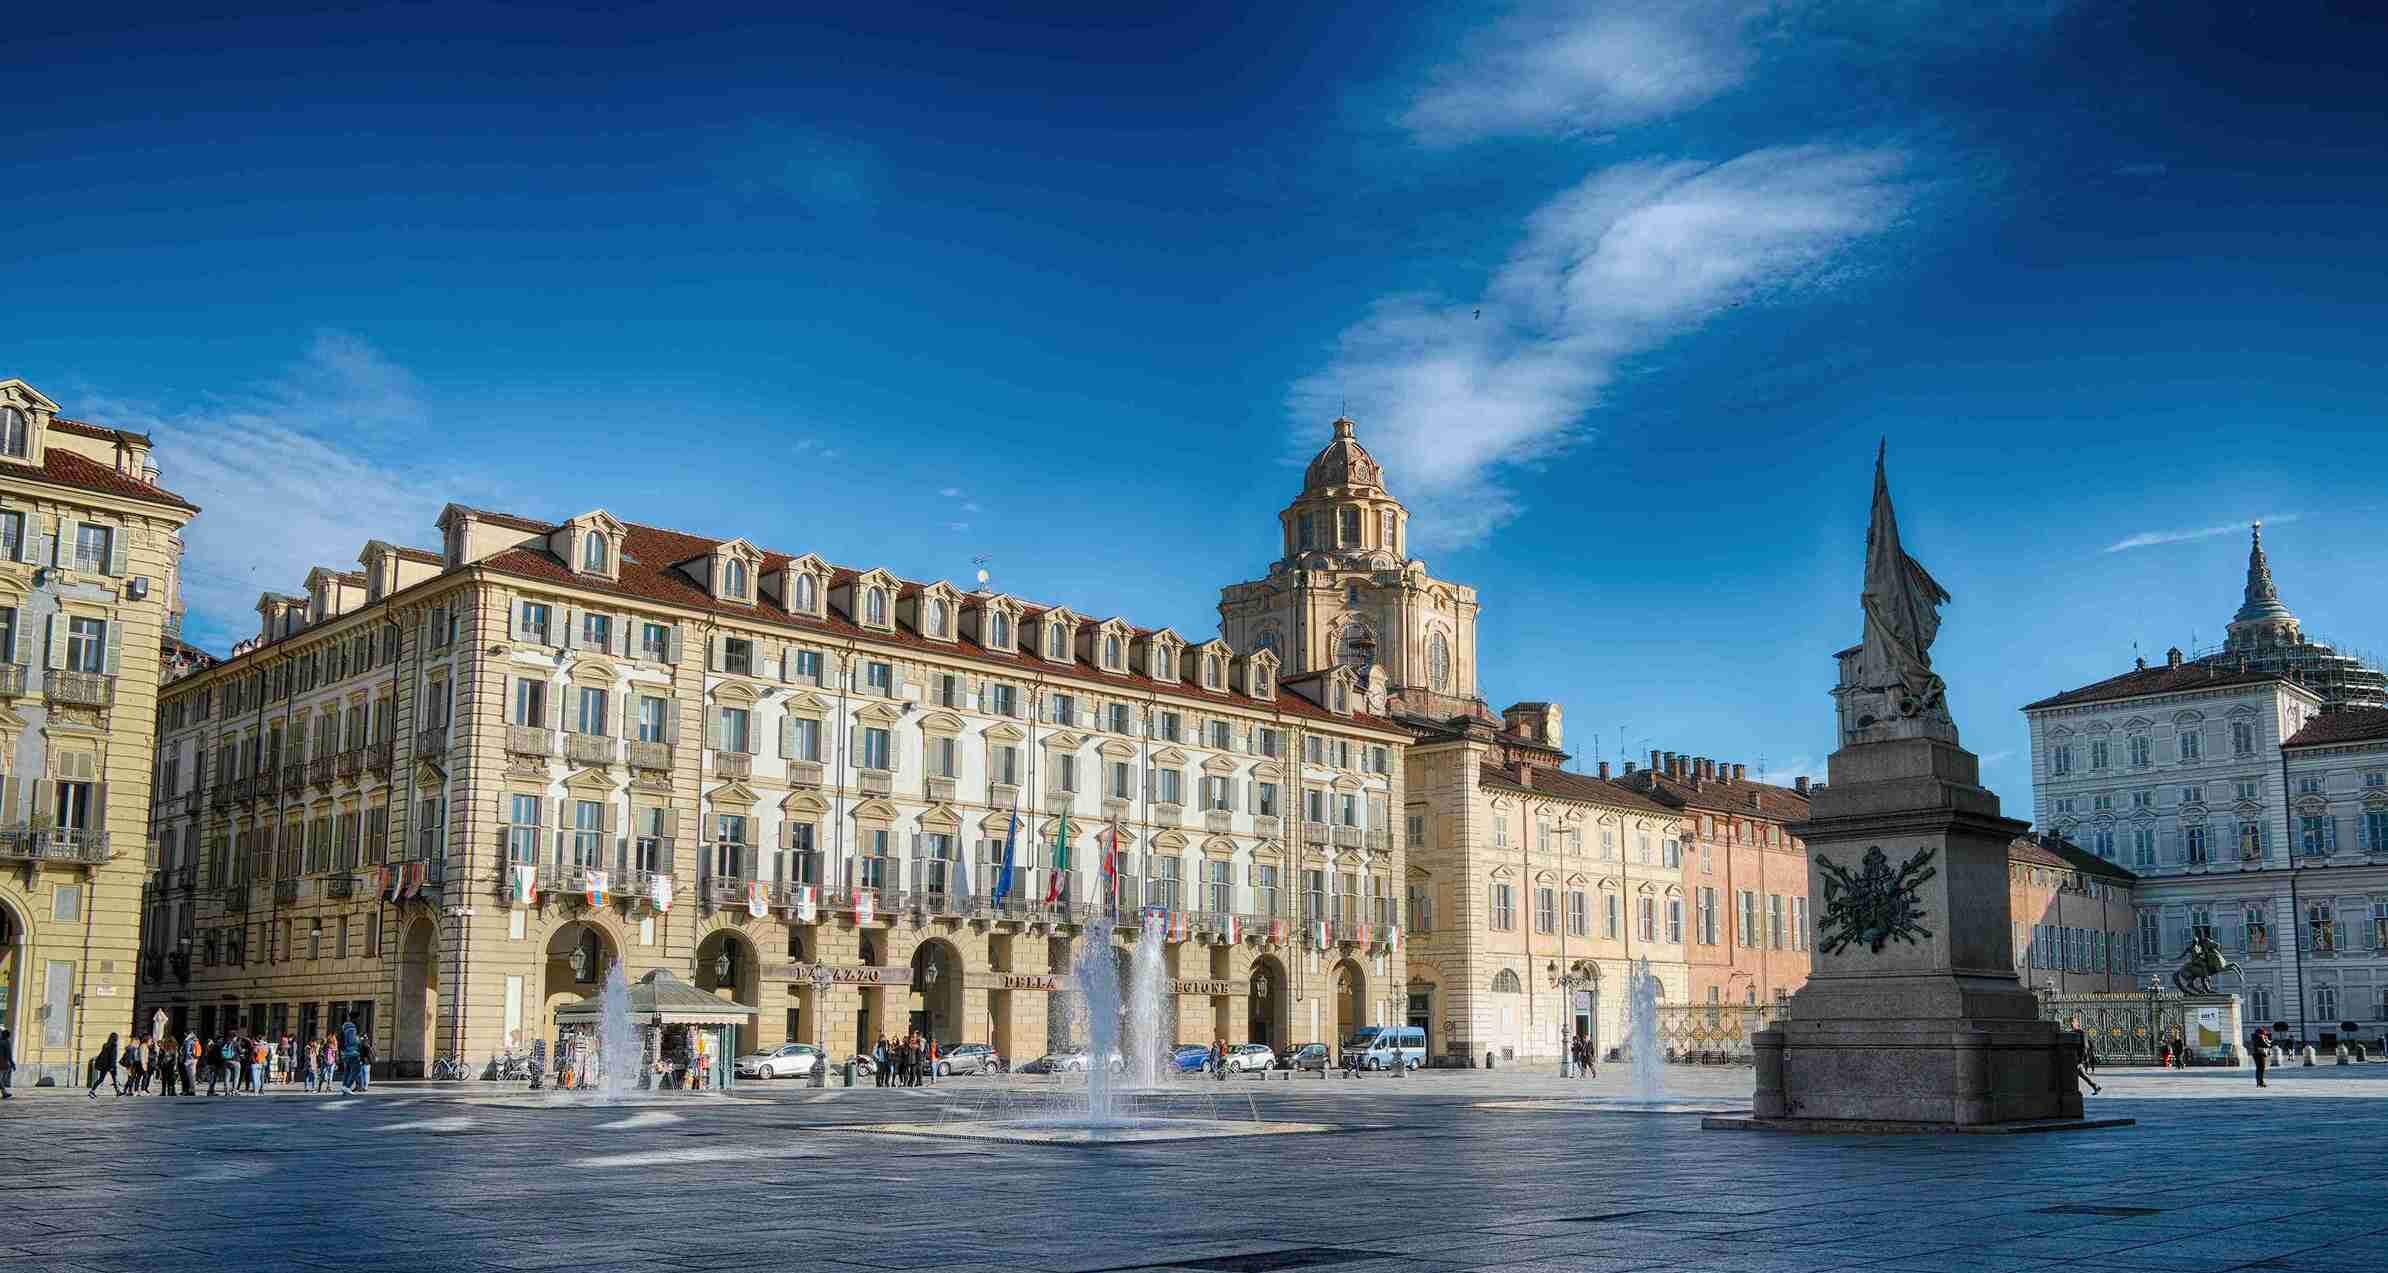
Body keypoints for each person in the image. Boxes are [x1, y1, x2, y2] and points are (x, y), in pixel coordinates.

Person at [89, 1031, 121, 1098]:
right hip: (110, 1065)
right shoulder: (114, 1046)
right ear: (116, 1038)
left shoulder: (105, 1045)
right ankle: (118, 1091)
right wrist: (112, 1066)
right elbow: (113, 1057)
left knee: (101, 1079)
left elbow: (103, 1055)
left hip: (104, 1065)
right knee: (114, 1078)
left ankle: (92, 1091)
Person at [338, 1013, 361, 1094]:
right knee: (357, 1069)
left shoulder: (345, 1027)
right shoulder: (351, 1028)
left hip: (346, 1052)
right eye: (358, 1018)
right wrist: (358, 1040)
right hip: (352, 1052)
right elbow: (351, 1041)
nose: (359, 1020)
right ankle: (347, 1086)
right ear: (355, 1019)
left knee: (347, 1070)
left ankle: (344, 1087)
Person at [0, 1024, 13, 1099]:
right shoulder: (5, 1042)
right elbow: (9, 1054)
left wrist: (11, 1062)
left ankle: (4, 1092)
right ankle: (4, 1092)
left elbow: (8, 1054)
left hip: (2, 1064)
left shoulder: (3, 1042)